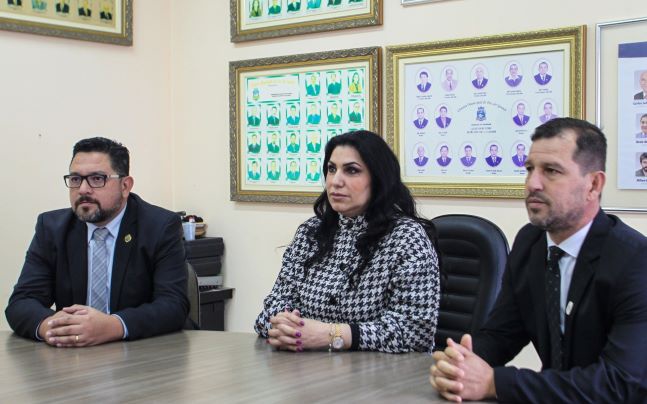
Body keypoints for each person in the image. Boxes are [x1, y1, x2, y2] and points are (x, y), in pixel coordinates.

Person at [430, 117, 647, 402]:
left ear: (593, 184)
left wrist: (496, 383)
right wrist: (461, 363)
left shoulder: (634, 261)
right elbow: (503, 333)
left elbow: (618, 383)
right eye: (530, 169)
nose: (532, 183)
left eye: (551, 171)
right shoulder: (530, 242)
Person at [254, 130, 440, 353]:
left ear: (378, 178)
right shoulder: (311, 232)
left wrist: (332, 335)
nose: (335, 181)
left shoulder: (406, 238)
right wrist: (284, 325)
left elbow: (414, 333)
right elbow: (270, 310)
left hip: (383, 377)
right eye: (331, 169)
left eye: (351, 170)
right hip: (307, 372)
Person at [5, 137, 189, 346]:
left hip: (145, 355)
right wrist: (52, 326)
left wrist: (112, 326)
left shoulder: (160, 226)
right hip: (74, 359)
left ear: (125, 186)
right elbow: (21, 302)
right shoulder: (52, 228)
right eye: (75, 179)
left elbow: (173, 305)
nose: (83, 189)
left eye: (97, 179)